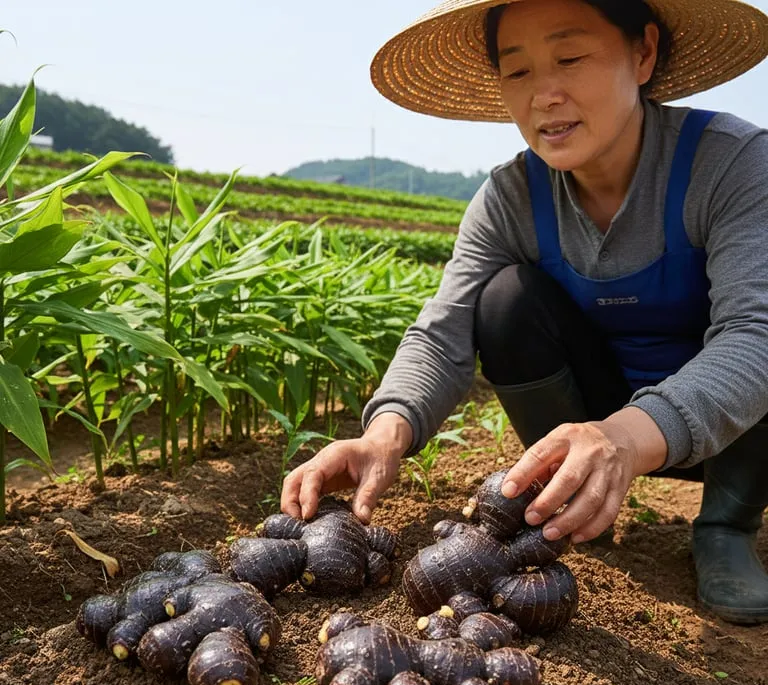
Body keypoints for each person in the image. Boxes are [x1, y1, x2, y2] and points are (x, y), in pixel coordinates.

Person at [281, 0, 768, 624]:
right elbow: (443, 333)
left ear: (643, 52)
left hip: (734, 431)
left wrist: (623, 437)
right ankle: (567, 501)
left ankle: (728, 524)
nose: (544, 95)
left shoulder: (729, 163)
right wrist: (384, 433)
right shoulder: (512, 197)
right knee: (505, 299)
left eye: (570, 57)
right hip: (601, 419)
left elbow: (755, 336)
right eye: (517, 71)